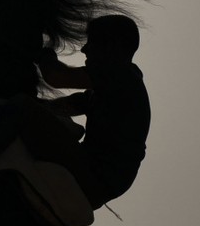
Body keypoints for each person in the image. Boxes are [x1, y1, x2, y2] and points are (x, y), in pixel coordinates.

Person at [34, 15, 151, 210]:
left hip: (94, 175)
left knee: (19, 109)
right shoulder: (114, 88)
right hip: (103, 183)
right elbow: (62, 106)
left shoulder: (121, 76)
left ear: (113, 47)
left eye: (93, 43)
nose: (84, 49)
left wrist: (43, 51)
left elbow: (56, 76)